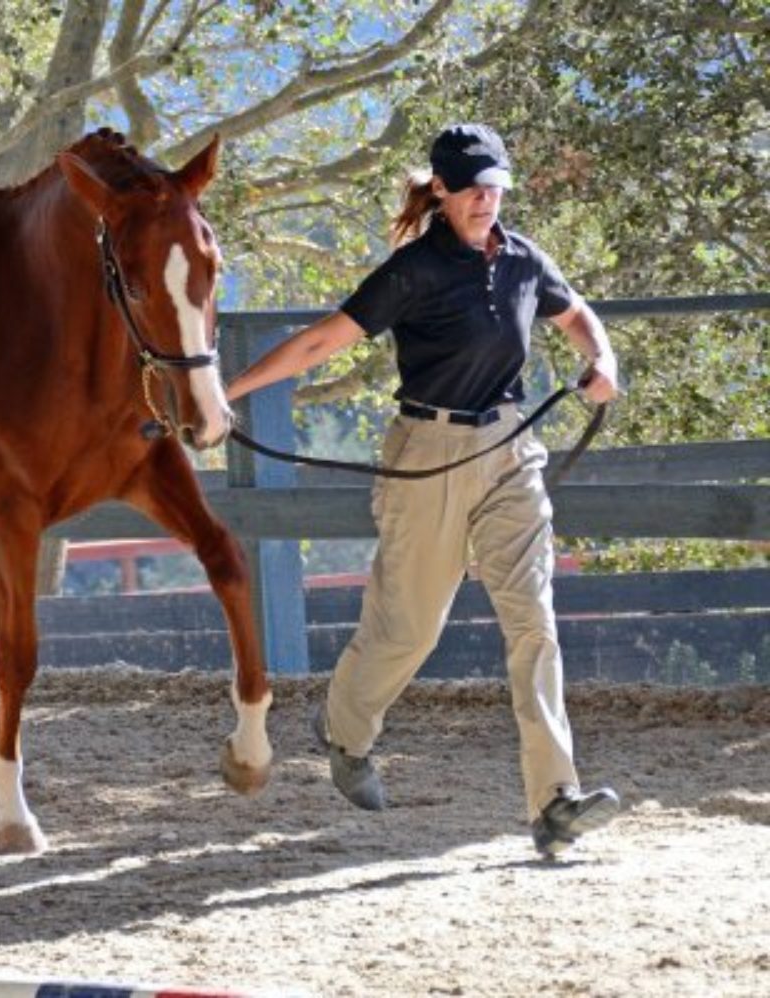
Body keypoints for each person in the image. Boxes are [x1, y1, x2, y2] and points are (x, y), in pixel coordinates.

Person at [226, 123, 620, 857]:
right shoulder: (413, 271)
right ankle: (345, 729)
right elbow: (319, 342)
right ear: (440, 189)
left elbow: (577, 317)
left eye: (495, 185)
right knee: (408, 628)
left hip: (511, 450)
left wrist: (603, 359)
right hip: (428, 454)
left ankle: (554, 801)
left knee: (533, 623)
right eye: (472, 187)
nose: (486, 199)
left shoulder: (525, 259)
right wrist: (228, 394)